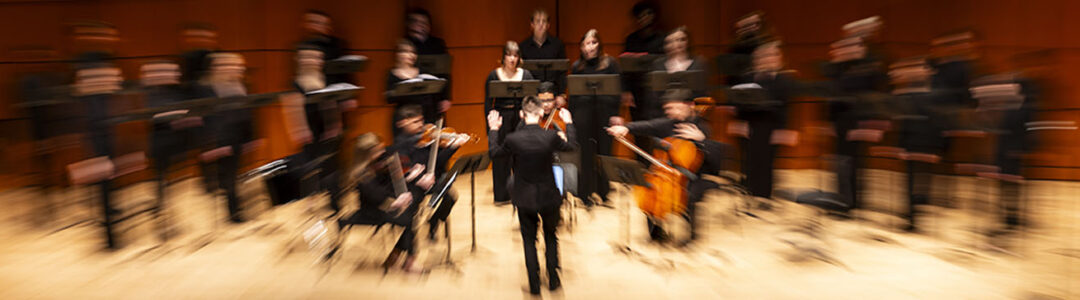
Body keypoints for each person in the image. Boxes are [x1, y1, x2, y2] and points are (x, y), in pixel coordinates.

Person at [607, 89, 723, 244]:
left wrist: (702, 140)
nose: (673, 113)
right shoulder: (670, 123)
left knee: (691, 194)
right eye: (670, 109)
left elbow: (716, 160)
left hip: (694, 175)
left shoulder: (702, 126)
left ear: (690, 106)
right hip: (667, 172)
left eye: (677, 108)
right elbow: (649, 125)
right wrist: (626, 128)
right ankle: (656, 232)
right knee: (648, 189)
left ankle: (691, 235)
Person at [487, 96, 576, 295]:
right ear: (541, 113)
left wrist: (494, 129)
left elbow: (494, 153)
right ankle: (553, 280)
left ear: (521, 114)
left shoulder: (512, 139)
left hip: (524, 197)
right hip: (549, 196)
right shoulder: (550, 137)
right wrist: (569, 123)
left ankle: (534, 285)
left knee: (529, 241)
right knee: (551, 237)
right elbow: (571, 146)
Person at [389, 105, 467, 240]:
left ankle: (434, 221)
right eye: (415, 122)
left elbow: (438, 160)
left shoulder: (426, 138)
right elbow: (403, 170)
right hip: (411, 186)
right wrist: (419, 177)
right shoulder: (399, 144)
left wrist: (454, 146)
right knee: (412, 205)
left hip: (429, 180)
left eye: (421, 121)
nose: (420, 125)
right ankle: (409, 239)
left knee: (450, 197)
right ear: (403, 123)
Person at [887, 58, 947, 232]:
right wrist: (901, 146)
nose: (919, 72)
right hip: (911, 143)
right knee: (909, 181)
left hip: (928, 144)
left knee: (924, 182)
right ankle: (911, 217)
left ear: (931, 72)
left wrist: (939, 148)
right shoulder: (909, 94)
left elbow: (940, 123)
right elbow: (904, 121)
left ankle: (919, 215)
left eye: (923, 69)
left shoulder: (938, 94)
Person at [194, 53, 255, 223]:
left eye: (238, 66)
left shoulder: (241, 86)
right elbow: (206, 119)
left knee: (233, 176)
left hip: (237, 138)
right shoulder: (206, 88)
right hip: (221, 140)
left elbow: (247, 114)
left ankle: (234, 207)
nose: (237, 69)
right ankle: (234, 213)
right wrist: (213, 144)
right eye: (232, 66)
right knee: (229, 178)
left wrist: (250, 138)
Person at [736, 41, 795, 202]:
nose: (769, 59)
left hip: (772, 126)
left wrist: (783, 129)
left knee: (766, 163)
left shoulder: (784, 79)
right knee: (750, 161)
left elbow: (786, 107)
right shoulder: (748, 77)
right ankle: (750, 194)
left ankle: (764, 197)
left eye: (773, 55)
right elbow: (740, 102)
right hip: (751, 125)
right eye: (765, 56)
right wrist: (740, 122)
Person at [569, 29, 620, 206]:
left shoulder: (610, 63)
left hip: (604, 113)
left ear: (599, 44)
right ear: (581, 47)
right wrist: (571, 117)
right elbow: (573, 95)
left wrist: (616, 114)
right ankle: (585, 193)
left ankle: (604, 192)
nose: (589, 47)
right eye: (586, 44)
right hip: (583, 115)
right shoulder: (577, 66)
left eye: (593, 42)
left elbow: (616, 90)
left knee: (605, 154)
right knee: (585, 155)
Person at [292, 46, 346, 213]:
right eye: (310, 58)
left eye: (318, 58)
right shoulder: (296, 82)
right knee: (310, 165)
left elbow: (331, 103)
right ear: (301, 60)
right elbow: (294, 107)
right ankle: (310, 201)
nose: (315, 61)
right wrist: (301, 129)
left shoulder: (325, 79)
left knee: (331, 164)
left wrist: (334, 124)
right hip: (308, 128)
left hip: (326, 126)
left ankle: (334, 200)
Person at [485, 41, 536, 205]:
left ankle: (523, 193)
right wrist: (490, 127)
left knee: (522, 155)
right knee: (501, 157)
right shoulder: (493, 75)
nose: (512, 59)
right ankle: (502, 196)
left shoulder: (526, 75)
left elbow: (531, 99)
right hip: (501, 118)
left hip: (521, 117)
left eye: (515, 55)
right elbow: (488, 103)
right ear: (503, 57)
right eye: (509, 55)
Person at [386, 39, 444, 126]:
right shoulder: (392, 74)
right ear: (398, 54)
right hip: (404, 119)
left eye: (413, 52)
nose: (411, 55)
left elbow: (430, 96)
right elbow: (389, 99)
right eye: (406, 52)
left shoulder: (423, 72)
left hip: (425, 116)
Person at [405, 8, 452, 114]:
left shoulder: (437, 44)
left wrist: (446, 97)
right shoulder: (405, 44)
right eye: (416, 22)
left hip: (434, 97)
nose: (420, 25)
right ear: (409, 24)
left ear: (429, 25)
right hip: (412, 99)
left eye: (423, 22)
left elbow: (446, 73)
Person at [520, 8, 567, 105]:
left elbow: (562, 72)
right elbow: (521, 74)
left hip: (553, 94)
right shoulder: (523, 47)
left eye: (544, 21)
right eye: (537, 21)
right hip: (532, 94)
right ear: (532, 25)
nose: (541, 24)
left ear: (548, 25)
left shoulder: (558, 44)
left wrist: (562, 94)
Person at [299, 10, 351, 85]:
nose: (315, 26)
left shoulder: (336, 45)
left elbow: (345, 72)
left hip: (331, 89)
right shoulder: (300, 46)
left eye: (320, 23)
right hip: (307, 90)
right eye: (311, 22)